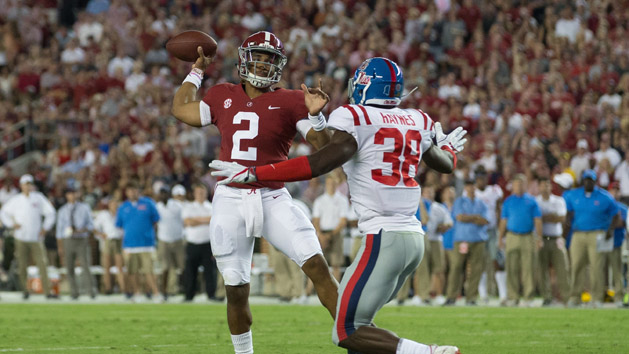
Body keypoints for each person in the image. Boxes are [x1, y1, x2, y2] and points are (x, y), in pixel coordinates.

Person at [210, 57, 465, 354]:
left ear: (365, 86)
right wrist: (446, 146)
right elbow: (445, 164)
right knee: (361, 326)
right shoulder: (418, 119)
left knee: (347, 331)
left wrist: (255, 172)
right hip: (413, 239)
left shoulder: (353, 116)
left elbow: (318, 163)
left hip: (383, 238)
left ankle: (430, 352)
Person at [171, 31, 338, 353]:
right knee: (235, 288)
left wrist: (317, 115)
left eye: (269, 60)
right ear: (244, 60)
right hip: (231, 197)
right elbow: (182, 110)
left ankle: (354, 336)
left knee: (317, 265)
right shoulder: (222, 94)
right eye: (258, 57)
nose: (262, 65)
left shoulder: (291, 100)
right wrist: (196, 71)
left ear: (279, 65)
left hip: (273, 195)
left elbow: (323, 147)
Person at [563, 169, 620, 306]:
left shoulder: (604, 196)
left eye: (591, 180)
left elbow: (615, 215)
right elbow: (569, 213)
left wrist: (610, 230)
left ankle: (596, 298)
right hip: (578, 233)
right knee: (576, 265)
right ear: (583, 181)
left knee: (596, 266)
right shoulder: (574, 195)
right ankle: (575, 297)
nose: (588, 182)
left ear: (595, 181)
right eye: (586, 179)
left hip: (597, 233)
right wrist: (566, 229)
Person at [0, 174, 57, 299]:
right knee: (22, 265)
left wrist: (45, 228)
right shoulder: (16, 200)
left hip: (36, 237)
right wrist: (11, 224)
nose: (27, 186)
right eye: (25, 184)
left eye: (29, 184)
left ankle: (48, 291)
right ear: (21, 186)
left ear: (32, 185)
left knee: (42, 263)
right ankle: (25, 290)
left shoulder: (38, 198)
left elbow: (51, 213)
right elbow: (3, 212)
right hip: (20, 237)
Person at [498, 174, 542, 306]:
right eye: (516, 184)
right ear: (513, 186)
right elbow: (503, 221)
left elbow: (538, 220)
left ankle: (528, 297)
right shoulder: (508, 201)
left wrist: (539, 237)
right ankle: (513, 297)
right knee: (511, 267)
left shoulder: (532, 201)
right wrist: (500, 237)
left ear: (526, 185)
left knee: (528, 268)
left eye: (521, 184)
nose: (519, 187)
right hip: (512, 236)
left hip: (528, 236)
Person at [445, 179, 490, 306]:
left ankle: (471, 298)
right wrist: (476, 217)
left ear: (475, 188)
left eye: (473, 186)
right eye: (469, 186)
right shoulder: (459, 201)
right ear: (466, 188)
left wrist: (468, 217)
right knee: (456, 267)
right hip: (462, 240)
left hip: (478, 240)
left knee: (476, 270)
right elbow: (459, 217)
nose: (471, 189)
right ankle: (451, 296)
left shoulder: (482, 203)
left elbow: (485, 221)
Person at [115, 181, 161, 302]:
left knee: (149, 271)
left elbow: (156, 220)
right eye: (130, 190)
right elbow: (119, 225)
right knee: (132, 271)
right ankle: (137, 293)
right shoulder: (123, 207)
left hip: (147, 244)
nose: (132, 192)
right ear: (126, 192)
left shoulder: (148, 203)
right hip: (129, 245)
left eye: (134, 190)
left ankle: (155, 293)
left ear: (138, 191)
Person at [55, 187, 96, 299]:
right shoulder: (62, 210)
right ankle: (74, 292)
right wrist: (60, 247)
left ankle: (90, 291)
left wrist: (82, 230)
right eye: (69, 194)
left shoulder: (84, 208)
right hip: (68, 240)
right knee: (69, 266)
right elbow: (59, 230)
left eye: (73, 193)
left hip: (81, 239)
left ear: (77, 194)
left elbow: (91, 225)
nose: (72, 196)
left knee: (85, 265)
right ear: (66, 196)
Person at [535, 177, 569, 306]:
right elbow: (536, 219)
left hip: (556, 238)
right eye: (543, 185)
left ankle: (566, 297)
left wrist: (543, 217)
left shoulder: (558, 200)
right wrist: (550, 217)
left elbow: (561, 218)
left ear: (551, 187)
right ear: (539, 187)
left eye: (547, 185)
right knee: (542, 269)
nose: (545, 188)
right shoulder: (535, 201)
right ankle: (547, 297)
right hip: (541, 238)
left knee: (562, 268)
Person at [181, 183, 217, 301]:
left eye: (202, 192)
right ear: (195, 194)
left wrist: (196, 219)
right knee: (190, 271)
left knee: (209, 272)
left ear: (206, 193)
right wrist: (206, 220)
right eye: (198, 192)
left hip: (207, 243)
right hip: (192, 243)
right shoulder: (189, 206)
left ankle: (211, 295)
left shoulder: (211, 206)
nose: (201, 195)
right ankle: (189, 296)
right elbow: (188, 222)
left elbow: (214, 220)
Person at [312, 175, 349, 281]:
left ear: (336, 185)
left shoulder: (342, 200)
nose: (331, 186)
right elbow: (316, 220)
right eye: (329, 184)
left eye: (333, 184)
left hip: (336, 233)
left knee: (336, 263)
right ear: (326, 185)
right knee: (319, 263)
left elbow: (342, 221)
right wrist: (320, 235)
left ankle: (337, 291)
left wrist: (329, 235)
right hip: (322, 232)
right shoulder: (320, 200)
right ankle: (310, 291)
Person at [156, 184, 186, 298]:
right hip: (163, 240)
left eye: (165, 193)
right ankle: (164, 292)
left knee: (182, 267)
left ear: (168, 194)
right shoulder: (157, 206)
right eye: (161, 193)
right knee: (165, 268)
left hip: (178, 239)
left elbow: (183, 220)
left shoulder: (177, 206)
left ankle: (185, 291)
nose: (163, 195)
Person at [94, 199, 125, 294]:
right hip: (108, 240)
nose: (114, 206)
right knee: (106, 266)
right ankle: (108, 288)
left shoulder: (121, 214)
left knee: (120, 266)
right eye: (112, 204)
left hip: (119, 240)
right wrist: (101, 234)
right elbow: (94, 227)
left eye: (116, 204)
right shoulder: (103, 214)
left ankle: (123, 288)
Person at [604, 182, 627, 306]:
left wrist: (612, 223)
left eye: (618, 190)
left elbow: (622, 223)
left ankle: (619, 297)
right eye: (613, 190)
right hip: (602, 241)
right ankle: (602, 295)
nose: (616, 192)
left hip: (617, 242)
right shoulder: (604, 205)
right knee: (600, 269)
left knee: (617, 270)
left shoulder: (623, 208)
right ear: (609, 191)